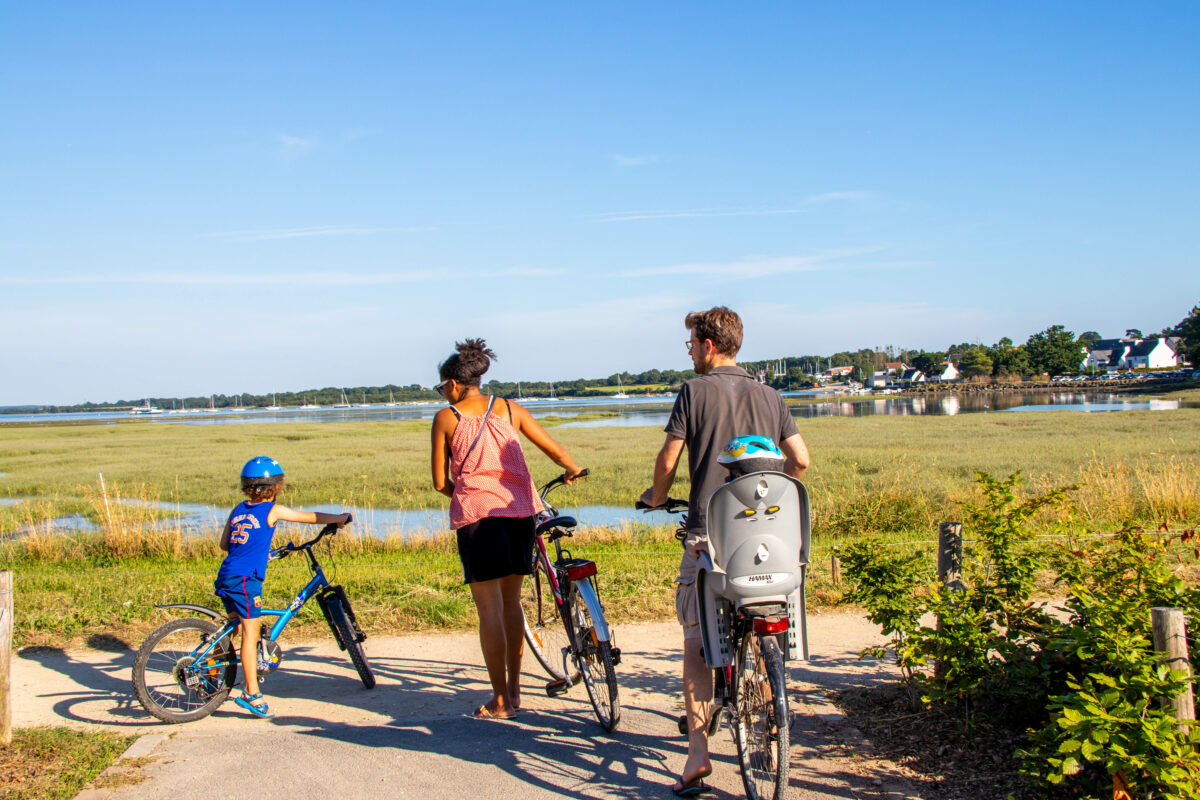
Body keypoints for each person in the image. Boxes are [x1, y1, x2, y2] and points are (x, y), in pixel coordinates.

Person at [640, 306, 810, 797]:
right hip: (773, 544)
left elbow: (670, 457)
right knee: (769, 628)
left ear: (708, 345)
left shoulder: (694, 392)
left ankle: (697, 755)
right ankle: (773, 737)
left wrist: (656, 496)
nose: (690, 351)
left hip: (711, 541)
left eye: (691, 344)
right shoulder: (771, 394)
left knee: (697, 641)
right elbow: (800, 460)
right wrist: (769, 494)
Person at [430, 338, 584, 719]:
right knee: (513, 603)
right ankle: (515, 690)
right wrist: (571, 469)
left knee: (489, 611)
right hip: (519, 515)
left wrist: (467, 493)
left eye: (441, 386)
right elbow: (552, 447)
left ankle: (500, 700)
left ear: (453, 384)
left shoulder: (447, 417)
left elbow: (438, 482)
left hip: (478, 519)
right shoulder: (509, 408)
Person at [215, 456, 351, 718]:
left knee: (230, 628)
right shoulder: (272, 510)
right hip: (246, 579)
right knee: (249, 634)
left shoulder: (238, 509)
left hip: (228, 574)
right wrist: (338, 518)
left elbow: (225, 545)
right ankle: (251, 694)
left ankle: (210, 675)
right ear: (276, 486)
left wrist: (253, 550)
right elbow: (309, 517)